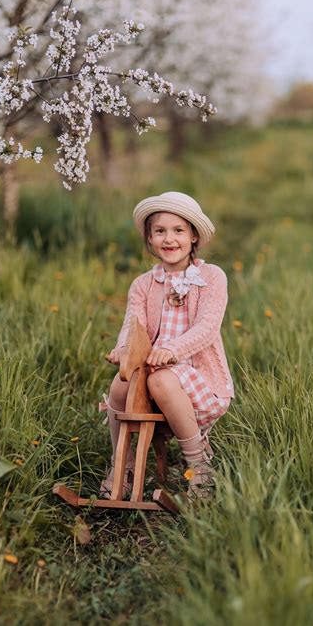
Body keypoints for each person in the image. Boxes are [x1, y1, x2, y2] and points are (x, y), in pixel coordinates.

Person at [99, 191, 234, 498]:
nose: (169, 239)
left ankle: (200, 464)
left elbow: (207, 327)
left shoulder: (211, 276)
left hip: (195, 374)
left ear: (193, 236)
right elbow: (133, 327)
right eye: (160, 231)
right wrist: (123, 350)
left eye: (178, 231)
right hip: (153, 369)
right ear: (149, 238)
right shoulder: (143, 284)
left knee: (161, 379)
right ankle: (124, 463)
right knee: (120, 385)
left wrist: (173, 350)